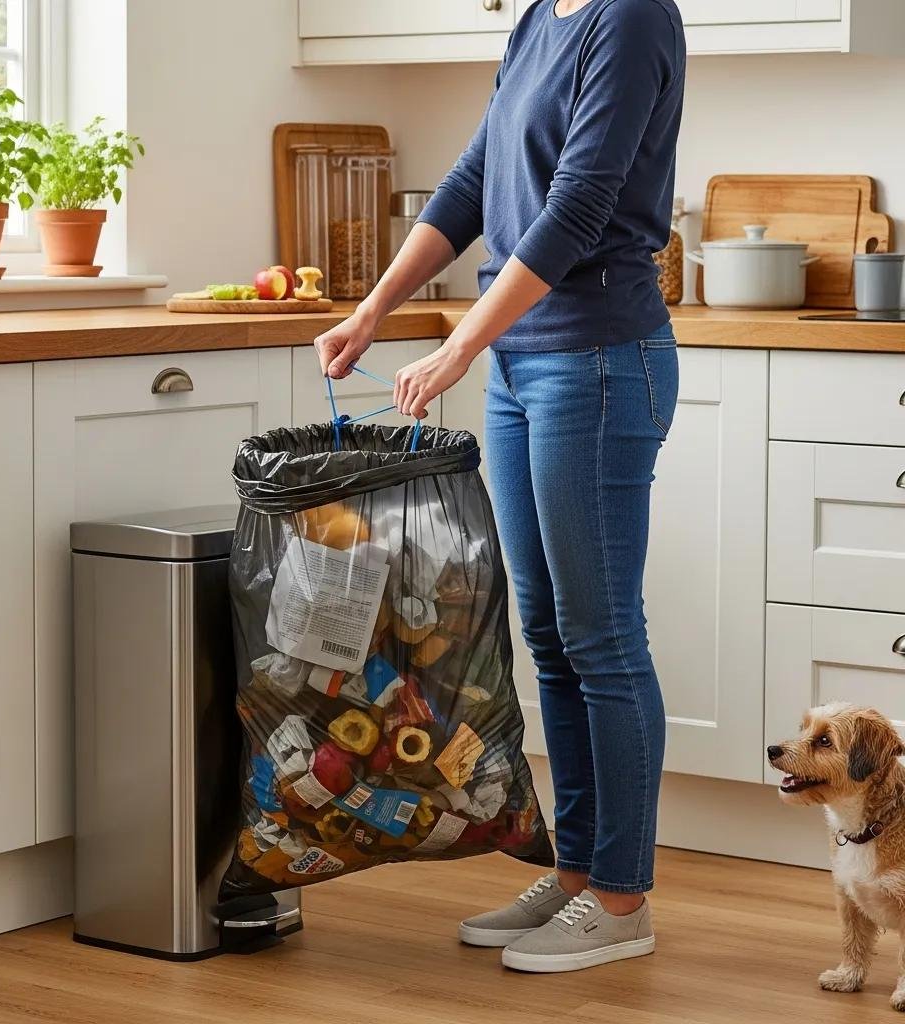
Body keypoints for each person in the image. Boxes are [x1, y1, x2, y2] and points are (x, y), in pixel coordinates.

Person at [314, 0, 686, 974]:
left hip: (600, 357)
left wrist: (459, 341)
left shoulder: (630, 15)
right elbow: (475, 180)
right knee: (553, 637)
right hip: (527, 364)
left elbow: (581, 201)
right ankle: (574, 872)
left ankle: (621, 895)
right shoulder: (538, 20)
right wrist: (373, 310)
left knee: (603, 636)